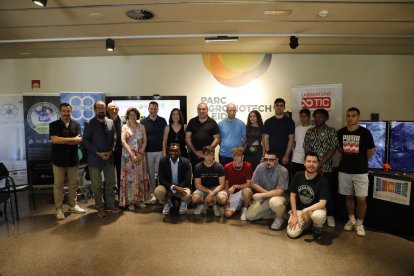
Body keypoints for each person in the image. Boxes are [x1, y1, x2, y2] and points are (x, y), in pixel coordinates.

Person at [337, 107, 375, 237]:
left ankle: (360, 223)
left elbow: (370, 152)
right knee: (348, 197)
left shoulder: (365, 133)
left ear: (358, 117)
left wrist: (360, 161)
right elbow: (340, 149)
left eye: (353, 116)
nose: (350, 118)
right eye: (348, 115)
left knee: (361, 198)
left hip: (361, 172)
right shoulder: (340, 132)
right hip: (344, 171)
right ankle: (351, 219)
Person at [83, 100, 122, 218]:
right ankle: (99, 207)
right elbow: (85, 141)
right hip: (95, 159)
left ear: (106, 109)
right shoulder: (90, 123)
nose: (101, 110)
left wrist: (111, 151)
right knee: (96, 185)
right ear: (95, 110)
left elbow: (115, 139)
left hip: (109, 158)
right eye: (98, 108)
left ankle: (110, 205)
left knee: (110, 182)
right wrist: (98, 153)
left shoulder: (110, 122)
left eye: (103, 108)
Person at [49, 103, 86, 220]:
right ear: (60, 112)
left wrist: (64, 140)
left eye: (68, 111)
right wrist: (72, 139)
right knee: (58, 186)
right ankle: (59, 209)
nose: (66, 113)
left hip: (72, 160)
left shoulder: (76, 125)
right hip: (58, 161)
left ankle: (72, 205)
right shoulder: (53, 125)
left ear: (71, 111)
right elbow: (54, 140)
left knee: (73, 185)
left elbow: (79, 141)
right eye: (64, 111)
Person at [303, 108, 339, 227]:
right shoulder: (310, 131)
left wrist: (320, 163)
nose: (318, 119)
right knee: (311, 191)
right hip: (311, 169)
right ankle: (312, 213)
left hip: (326, 169)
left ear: (326, 118)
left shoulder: (332, 131)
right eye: (316, 117)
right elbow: (306, 148)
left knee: (327, 193)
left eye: (321, 117)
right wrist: (310, 163)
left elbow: (333, 149)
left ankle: (330, 215)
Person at [287, 152, 329, 240]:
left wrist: (306, 210)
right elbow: (292, 195)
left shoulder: (323, 181)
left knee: (318, 216)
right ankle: (308, 224)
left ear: (318, 163)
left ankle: (317, 227)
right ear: (304, 163)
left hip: (314, 210)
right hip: (299, 211)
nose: (311, 164)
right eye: (309, 161)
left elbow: (322, 203)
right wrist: (294, 215)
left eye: (314, 162)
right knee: (292, 233)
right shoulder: (298, 175)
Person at [246, 151, 288, 230]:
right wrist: (267, 194)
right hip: (266, 196)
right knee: (250, 216)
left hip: (279, 197)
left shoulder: (283, 171)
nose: (268, 162)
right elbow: (253, 183)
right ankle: (279, 213)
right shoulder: (260, 167)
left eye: (271, 160)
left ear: (277, 160)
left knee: (275, 202)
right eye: (266, 159)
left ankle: (280, 218)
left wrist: (262, 195)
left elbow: (280, 191)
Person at [119, 107, 149, 210]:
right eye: (130, 114)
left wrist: (140, 153)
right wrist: (132, 155)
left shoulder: (142, 126)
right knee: (130, 180)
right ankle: (130, 202)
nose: (132, 116)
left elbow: (145, 140)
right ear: (127, 116)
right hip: (128, 157)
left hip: (140, 156)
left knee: (140, 178)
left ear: (137, 115)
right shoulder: (124, 127)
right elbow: (123, 141)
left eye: (134, 114)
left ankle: (139, 201)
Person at [185, 103, 220, 188]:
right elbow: (187, 138)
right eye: (199, 109)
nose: (201, 111)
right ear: (197, 110)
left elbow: (217, 138)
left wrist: (207, 152)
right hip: (194, 154)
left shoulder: (213, 122)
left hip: (208, 155)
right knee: (195, 174)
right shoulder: (192, 121)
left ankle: (208, 193)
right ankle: (195, 195)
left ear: (207, 110)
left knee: (209, 175)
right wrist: (195, 151)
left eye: (204, 109)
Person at [140, 101, 167, 204]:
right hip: (148, 152)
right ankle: (153, 195)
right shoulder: (143, 121)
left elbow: (165, 137)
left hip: (160, 151)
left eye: (155, 108)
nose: (153, 110)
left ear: (158, 109)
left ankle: (160, 194)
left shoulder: (163, 121)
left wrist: (164, 151)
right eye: (151, 108)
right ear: (148, 109)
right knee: (150, 174)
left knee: (161, 174)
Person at [154, 143, 192, 215]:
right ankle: (166, 204)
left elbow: (187, 179)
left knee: (187, 194)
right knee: (158, 191)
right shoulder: (163, 161)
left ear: (180, 152)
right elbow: (161, 179)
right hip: (168, 186)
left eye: (175, 151)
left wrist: (176, 189)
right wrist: (173, 187)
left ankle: (183, 204)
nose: (172, 153)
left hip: (181, 186)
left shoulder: (186, 162)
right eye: (171, 150)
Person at [191, 145, 227, 217]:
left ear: (214, 155)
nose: (209, 157)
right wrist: (210, 192)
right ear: (203, 155)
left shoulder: (219, 167)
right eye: (207, 155)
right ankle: (201, 205)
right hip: (203, 189)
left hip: (216, 189)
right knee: (194, 198)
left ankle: (216, 205)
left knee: (222, 199)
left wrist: (213, 193)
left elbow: (222, 184)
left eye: (211, 155)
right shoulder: (198, 167)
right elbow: (197, 185)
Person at [263, 98, 295, 171]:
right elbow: (266, 138)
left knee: (285, 175)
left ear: (284, 107)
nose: (279, 107)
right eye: (277, 105)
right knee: (270, 176)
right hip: (271, 155)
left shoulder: (290, 122)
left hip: (285, 155)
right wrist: (268, 155)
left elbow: (291, 138)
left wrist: (287, 155)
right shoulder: (268, 122)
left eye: (281, 105)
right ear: (274, 107)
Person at [223, 147, 253, 220]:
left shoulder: (248, 166)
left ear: (243, 157)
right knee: (227, 214)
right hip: (232, 193)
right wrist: (227, 197)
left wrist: (236, 186)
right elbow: (226, 184)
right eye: (234, 155)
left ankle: (245, 209)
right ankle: (239, 206)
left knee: (246, 191)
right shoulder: (227, 166)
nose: (236, 158)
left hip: (243, 191)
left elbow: (249, 184)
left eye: (238, 156)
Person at [107, 102, 123, 200]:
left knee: (121, 176)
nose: (114, 111)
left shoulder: (123, 121)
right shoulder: (104, 121)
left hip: (121, 152)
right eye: (112, 109)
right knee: (109, 177)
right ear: (107, 110)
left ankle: (122, 198)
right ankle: (109, 200)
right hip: (109, 153)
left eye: (116, 109)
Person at [291, 108, 312, 177]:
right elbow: (294, 143)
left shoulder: (312, 129)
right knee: (296, 179)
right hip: (296, 159)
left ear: (309, 117)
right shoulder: (296, 129)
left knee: (307, 179)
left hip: (308, 159)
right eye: (301, 116)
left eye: (305, 116)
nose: (303, 118)